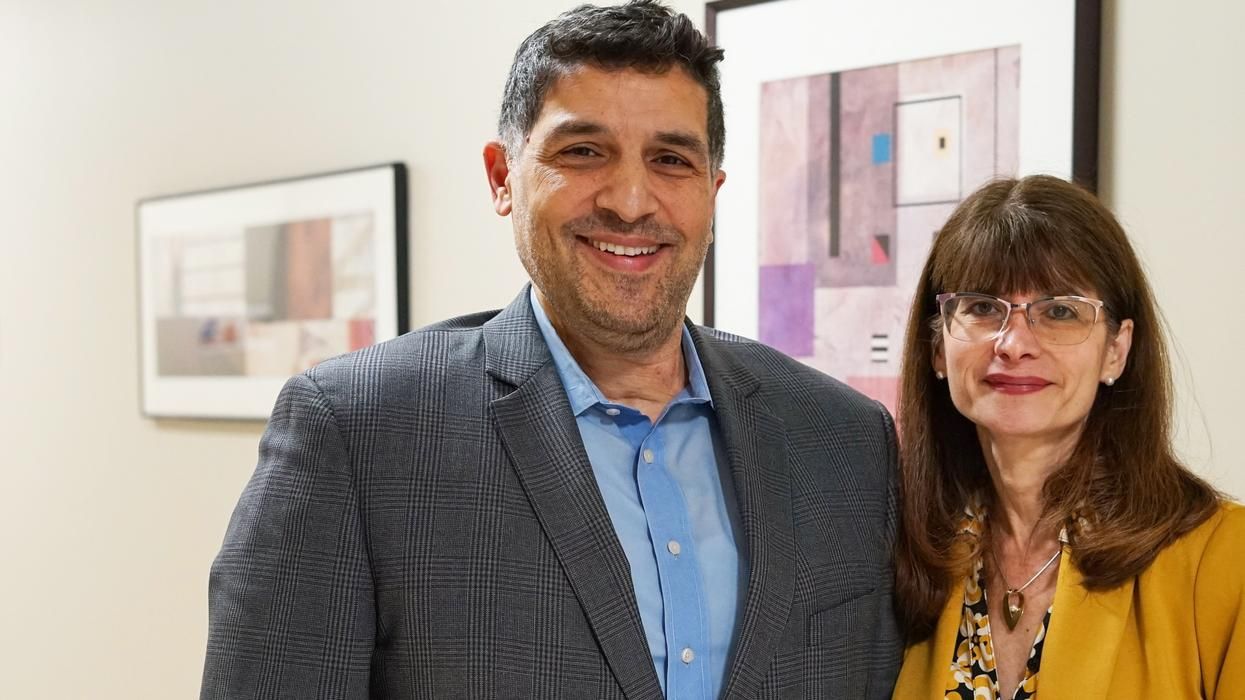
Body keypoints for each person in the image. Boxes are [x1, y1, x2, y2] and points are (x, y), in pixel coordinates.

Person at [200, 2, 902, 698]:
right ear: (503, 177)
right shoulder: (360, 435)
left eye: (670, 159)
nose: (631, 201)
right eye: (583, 152)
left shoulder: (841, 440)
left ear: (711, 193)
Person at [890, 174, 1245, 699]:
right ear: (938, 346)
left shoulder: (1225, 559)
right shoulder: (903, 553)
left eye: (1059, 311)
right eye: (983, 307)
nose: (1013, 344)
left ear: (1116, 351)